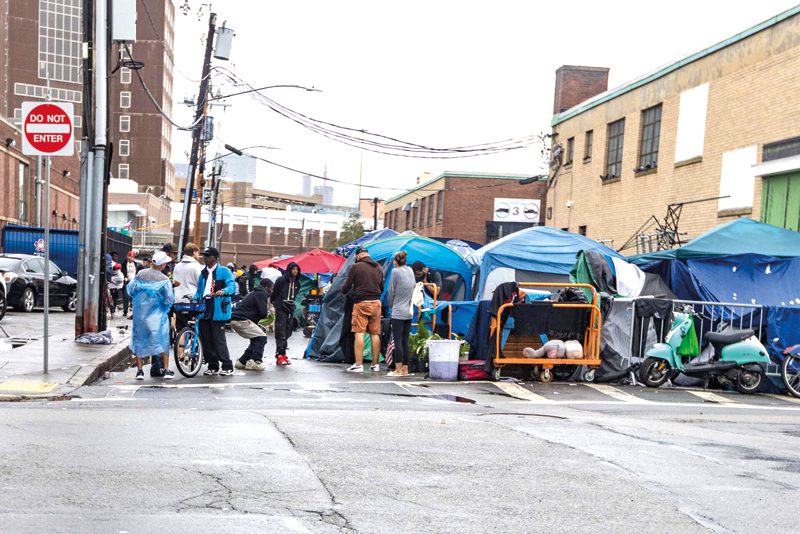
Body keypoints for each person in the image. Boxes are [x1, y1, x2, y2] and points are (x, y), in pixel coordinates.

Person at [127, 251, 175, 380]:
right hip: (157, 314)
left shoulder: (141, 274)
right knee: (162, 339)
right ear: (162, 264)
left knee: (139, 339)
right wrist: (165, 307)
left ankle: (140, 371)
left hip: (140, 314)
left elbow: (131, 290)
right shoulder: (164, 279)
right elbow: (168, 298)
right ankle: (165, 369)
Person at [194, 247, 237, 376]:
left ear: (215, 257)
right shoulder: (203, 273)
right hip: (204, 308)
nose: (205, 258)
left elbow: (232, 286)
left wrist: (224, 291)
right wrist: (194, 298)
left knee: (219, 340)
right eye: (204, 256)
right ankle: (213, 365)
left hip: (218, 309)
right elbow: (199, 291)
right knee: (206, 339)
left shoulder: (224, 271)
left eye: (207, 255)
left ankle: (227, 366)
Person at [342, 247, 384, 373]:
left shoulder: (356, 267)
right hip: (376, 303)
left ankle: (358, 364)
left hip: (361, 303)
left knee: (359, 332)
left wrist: (343, 291)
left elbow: (347, 286)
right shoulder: (378, 267)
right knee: (375, 333)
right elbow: (381, 287)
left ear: (358, 256)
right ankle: (375, 365)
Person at [232, 278, 274, 370]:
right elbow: (263, 313)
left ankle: (242, 361)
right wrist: (267, 313)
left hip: (236, 319)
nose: (272, 291)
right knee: (262, 338)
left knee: (256, 339)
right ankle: (255, 361)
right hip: (242, 320)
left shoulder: (254, 292)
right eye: (271, 288)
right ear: (266, 288)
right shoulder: (261, 294)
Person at [385, 251, 416, 377]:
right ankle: (405, 369)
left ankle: (397, 370)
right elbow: (413, 286)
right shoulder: (410, 270)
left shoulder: (395, 272)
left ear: (396, 261)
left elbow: (390, 291)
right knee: (405, 340)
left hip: (398, 311)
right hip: (409, 311)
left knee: (397, 340)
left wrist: (392, 305)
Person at [270, 261, 301, 366]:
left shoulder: (297, 283)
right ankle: (280, 354)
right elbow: (275, 293)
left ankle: (282, 352)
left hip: (290, 307)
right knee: (280, 331)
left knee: (288, 330)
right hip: (281, 307)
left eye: (296, 269)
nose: (295, 271)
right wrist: (275, 303)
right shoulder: (281, 280)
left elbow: (295, 295)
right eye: (293, 269)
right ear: (289, 270)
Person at [172, 242, 204, 332]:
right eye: (198, 253)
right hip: (191, 302)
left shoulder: (177, 266)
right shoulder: (197, 267)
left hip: (178, 301)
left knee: (180, 328)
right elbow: (201, 284)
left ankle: (179, 345)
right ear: (194, 252)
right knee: (191, 329)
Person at [122, 251, 141, 319]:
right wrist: (125, 277)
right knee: (126, 296)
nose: (132, 258)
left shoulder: (135, 264)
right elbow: (122, 271)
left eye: (133, 257)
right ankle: (125, 310)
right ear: (128, 256)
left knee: (134, 297)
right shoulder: (124, 264)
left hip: (134, 282)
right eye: (130, 256)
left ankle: (133, 310)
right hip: (127, 281)